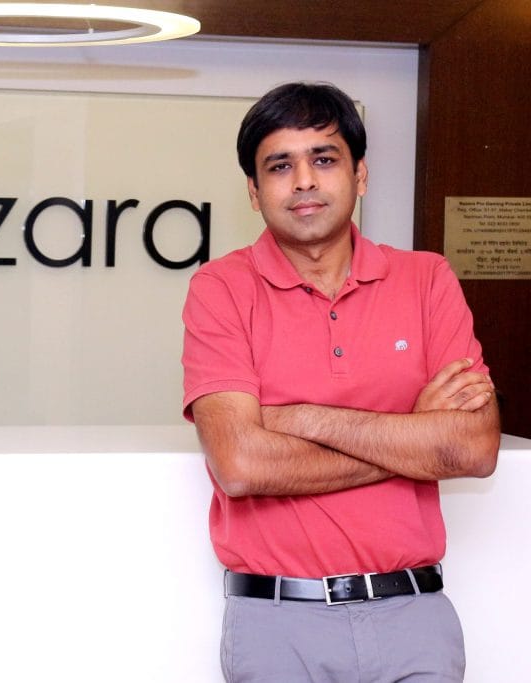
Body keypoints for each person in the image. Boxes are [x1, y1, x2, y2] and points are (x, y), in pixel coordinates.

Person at [181, 82, 501, 682]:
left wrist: (298, 418)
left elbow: (474, 450)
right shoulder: (220, 289)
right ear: (254, 190)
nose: (304, 181)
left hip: (414, 615)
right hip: (277, 622)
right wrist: (413, 437)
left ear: (360, 176)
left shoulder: (426, 279)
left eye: (324, 159)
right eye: (280, 166)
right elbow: (240, 465)